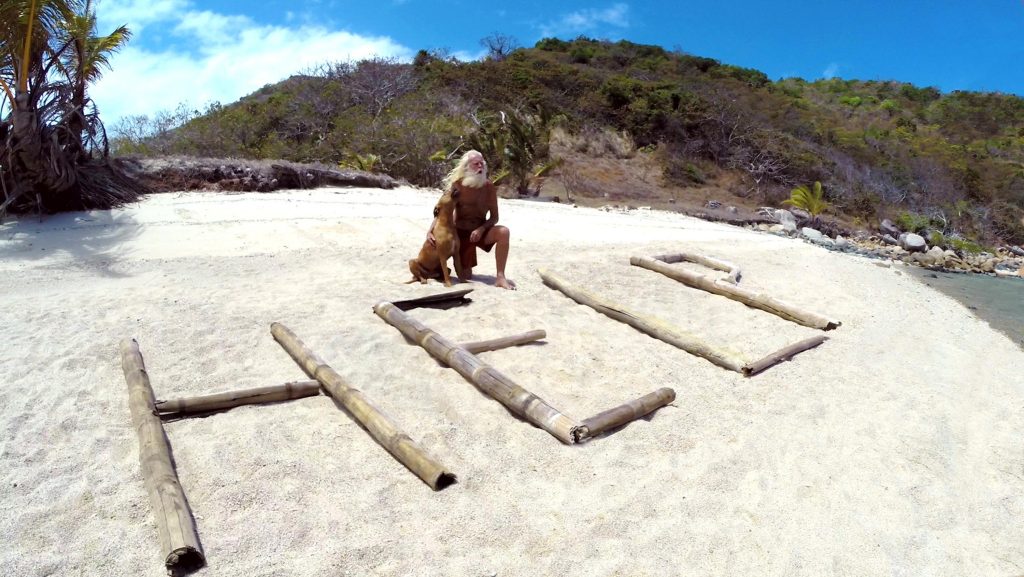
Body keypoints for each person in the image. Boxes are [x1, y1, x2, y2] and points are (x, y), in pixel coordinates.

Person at [427, 150, 516, 290]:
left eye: (482, 164)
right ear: (467, 166)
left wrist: (481, 229)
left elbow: (494, 217)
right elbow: (442, 210)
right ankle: (434, 268)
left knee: (504, 232)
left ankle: (500, 277)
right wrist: (430, 231)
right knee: (466, 275)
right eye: (476, 164)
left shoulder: (489, 188)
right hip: (459, 234)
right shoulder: (457, 186)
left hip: (479, 231)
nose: (480, 167)